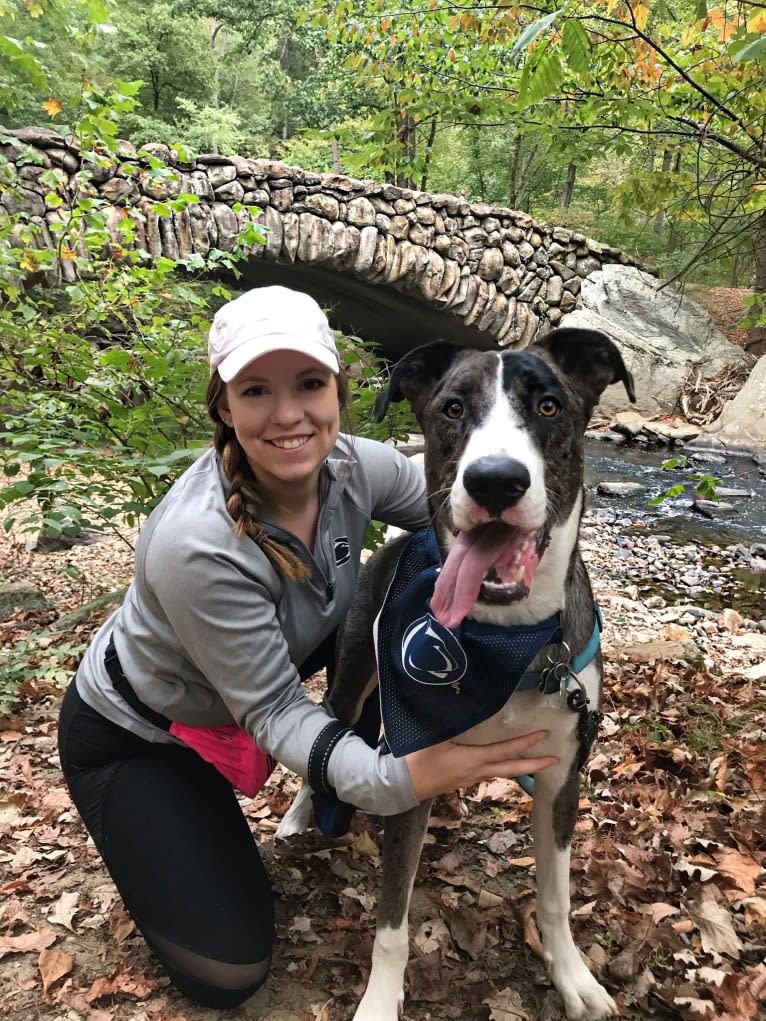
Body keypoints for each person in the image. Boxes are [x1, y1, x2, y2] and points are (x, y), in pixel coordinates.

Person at [57, 284, 558, 1009]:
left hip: (257, 687)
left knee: (394, 581)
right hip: (140, 734)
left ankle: (286, 791)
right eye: (257, 389)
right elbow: (280, 713)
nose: (288, 413)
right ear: (224, 407)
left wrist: (540, 572)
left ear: (338, 391)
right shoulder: (196, 545)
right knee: (227, 972)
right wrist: (411, 774)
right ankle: (180, 813)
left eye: (309, 384)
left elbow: (469, 514)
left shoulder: (357, 468)